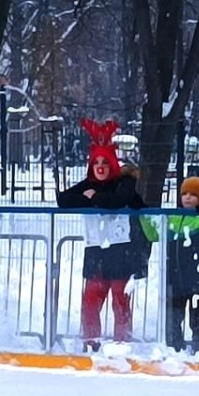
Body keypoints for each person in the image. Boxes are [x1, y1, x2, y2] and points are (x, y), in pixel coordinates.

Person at [56, 119, 146, 351]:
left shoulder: (124, 182)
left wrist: (92, 197)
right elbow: (63, 200)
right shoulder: (89, 182)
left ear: (112, 163)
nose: (100, 166)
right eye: (96, 162)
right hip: (96, 249)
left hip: (121, 249)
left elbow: (118, 201)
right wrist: (87, 195)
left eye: (105, 162)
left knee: (120, 299)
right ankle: (90, 341)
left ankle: (122, 342)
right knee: (91, 300)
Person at [146, 176, 199, 353]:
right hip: (174, 278)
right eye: (184, 194)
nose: (187, 197)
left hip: (197, 279)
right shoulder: (172, 218)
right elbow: (153, 236)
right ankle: (174, 350)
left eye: (193, 194)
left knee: (198, 320)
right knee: (172, 320)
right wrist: (144, 215)